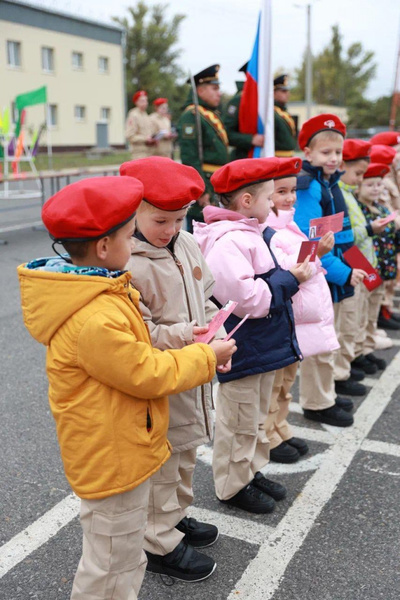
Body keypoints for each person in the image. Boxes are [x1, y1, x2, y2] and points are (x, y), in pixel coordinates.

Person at [17, 176, 236, 600]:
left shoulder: (101, 287)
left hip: (122, 443)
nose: (132, 242)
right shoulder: (94, 315)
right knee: (111, 565)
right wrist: (207, 357)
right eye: (126, 235)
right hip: (111, 456)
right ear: (103, 247)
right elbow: (147, 372)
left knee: (124, 556)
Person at [120, 156, 225, 583]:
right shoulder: (129, 263)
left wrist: (217, 319)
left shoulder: (185, 243)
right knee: (164, 463)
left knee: (186, 454)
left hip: (194, 373)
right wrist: (188, 333)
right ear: (133, 212)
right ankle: (158, 540)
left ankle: (175, 517)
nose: (171, 229)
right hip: (164, 378)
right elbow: (139, 334)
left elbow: (208, 290)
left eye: (180, 218)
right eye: (160, 220)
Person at [194, 157, 314, 514]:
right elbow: (246, 300)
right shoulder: (229, 240)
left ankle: (250, 470)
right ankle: (232, 485)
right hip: (243, 348)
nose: (273, 204)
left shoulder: (250, 232)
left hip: (262, 345)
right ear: (246, 201)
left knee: (255, 418)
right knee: (239, 421)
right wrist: (290, 279)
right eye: (267, 198)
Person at [264, 157, 345, 463]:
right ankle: (269, 436)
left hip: (297, 318)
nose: (289, 197)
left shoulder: (289, 221)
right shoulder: (269, 229)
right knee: (274, 384)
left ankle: (280, 426)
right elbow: (289, 268)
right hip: (285, 316)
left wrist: (313, 252)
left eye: (291, 190)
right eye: (281, 192)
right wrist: (317, 253)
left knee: (286, 383)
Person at [294, 114, 368, 402]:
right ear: (308, 153)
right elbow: (311, 244)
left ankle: (330, 390)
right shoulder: (309, 187)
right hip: (322, 274)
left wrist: (359, 268)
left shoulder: (329, 182)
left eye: (337, 152)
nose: (334, 158)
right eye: (326, 152)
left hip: (336, 272)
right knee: (320, 343)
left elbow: (342, 234)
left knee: (333, 336)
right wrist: (344, 273)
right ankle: (318, 402)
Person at [339, 139, 388, 375]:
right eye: (358, 174)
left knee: (362, 314)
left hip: (363, 261)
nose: (360, 179)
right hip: (353, 261)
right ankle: (351, 359)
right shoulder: (341, 194)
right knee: (350, 318)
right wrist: (370, 229)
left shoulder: (348, 194)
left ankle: (360, 352)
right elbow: (346, 236)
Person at [177, 64, 229, 231]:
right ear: (200, 91)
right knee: (200, 235)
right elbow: (190, 158)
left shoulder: (210, 115)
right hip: (205, 183)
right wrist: (202, 190)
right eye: (214, 88)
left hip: (216, 182)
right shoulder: (191, 116)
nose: (218, 93)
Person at [356, 162, 400, 335]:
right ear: (359, 187)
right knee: (363, 308)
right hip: (368, 267)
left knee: (374, 305)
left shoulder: (381, 208)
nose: (376, 189)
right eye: (370, 185)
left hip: (384, 266)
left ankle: (370, 337)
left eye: (379, 184)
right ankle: (363, 344)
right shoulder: (359, 210)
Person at [223, 62, 265, 160]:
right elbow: (227, 133)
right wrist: (250, 139)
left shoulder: (265, 100)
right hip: (245, 158)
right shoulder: (239, 100)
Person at [125, 90, 156, 159]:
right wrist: (145, 139)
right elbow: (130, 136)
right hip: (139, 153)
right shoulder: (134, 115)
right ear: (136, 102)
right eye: (142, 101)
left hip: (149, 151)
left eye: (146, 101)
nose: (145, 103)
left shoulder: (145, 115)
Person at [273, 74, 297, 157]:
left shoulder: (283, 112)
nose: (287, 94)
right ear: (274, 93)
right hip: (277, 156)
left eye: (287, 91)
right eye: (283, 91)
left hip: (288, 155)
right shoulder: (271, 113)